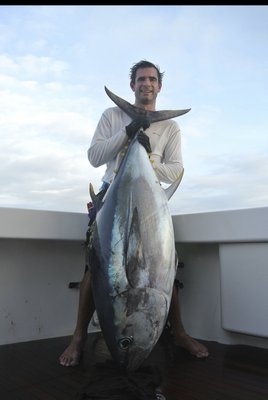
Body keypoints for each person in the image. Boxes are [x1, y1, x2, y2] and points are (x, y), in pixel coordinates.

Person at [59, 60, 209, 367]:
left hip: (151, 201)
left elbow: (177, 170)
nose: (146, 83)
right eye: (141, 79)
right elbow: (94, 156)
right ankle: (78, 337)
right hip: (111, 196)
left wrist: (150, 160)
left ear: (159, 86)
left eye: (152, 79)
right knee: (94, 267)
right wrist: (126, 135)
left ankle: (179, 332)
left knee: (164, 265)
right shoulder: (112, 115)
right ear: (133, 85)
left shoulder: (170, 126)